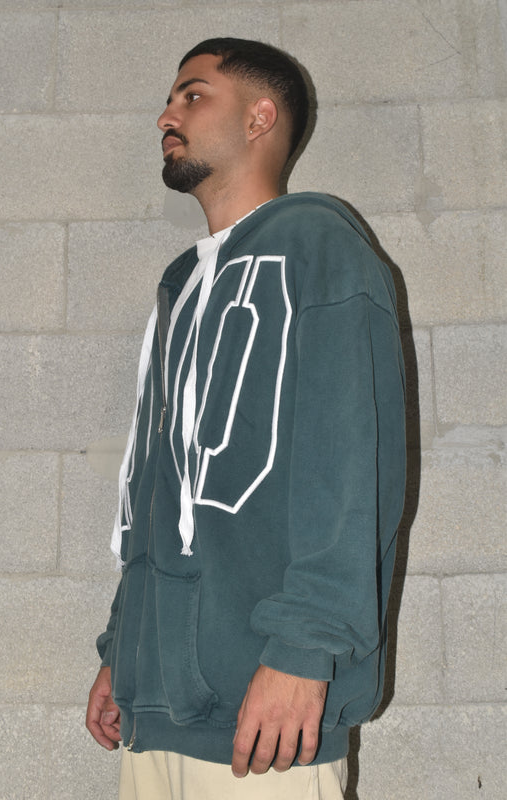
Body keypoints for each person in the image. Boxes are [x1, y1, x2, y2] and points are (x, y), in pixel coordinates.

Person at [86, 37, 406, 800]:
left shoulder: (319, 249)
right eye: (170, 98)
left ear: (261, 118)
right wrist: (123, 648)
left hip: (265, 724)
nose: (166, 114)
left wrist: (305, 650)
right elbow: (161, 492)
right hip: (155, 711)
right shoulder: (182, 286)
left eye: (193, 95)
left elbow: (348, 471)